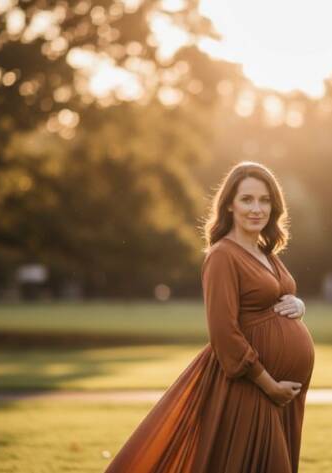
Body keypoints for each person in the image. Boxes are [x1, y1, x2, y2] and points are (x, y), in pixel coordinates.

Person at [103, 161, 315, 472]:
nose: (257, 208)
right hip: (252, 387)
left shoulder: (266, 254)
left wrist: (298, 305)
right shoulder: (222, 256)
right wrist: (268, 384)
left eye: (265, 200)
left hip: (280, 393)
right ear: (229, 204)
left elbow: (274, 299)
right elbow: (223, 333)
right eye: (247, 199)